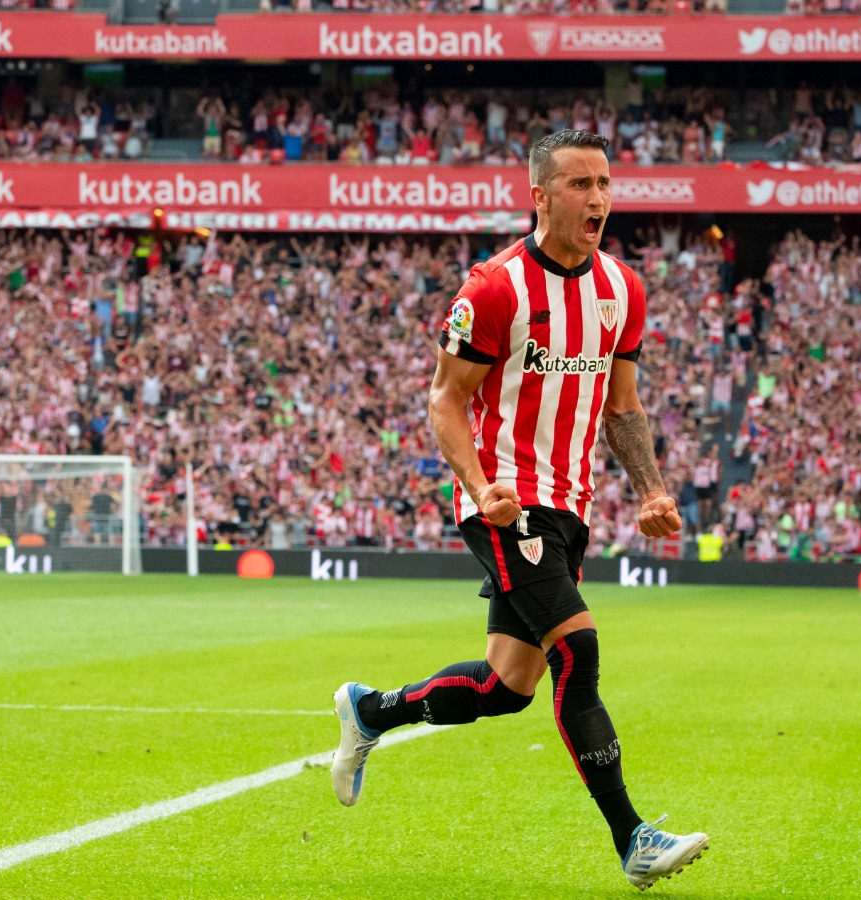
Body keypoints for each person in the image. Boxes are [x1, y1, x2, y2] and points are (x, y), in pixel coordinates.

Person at [329, 130, 709, 891]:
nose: (598, 197)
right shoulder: (495, 289)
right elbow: (445, 398)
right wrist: (479, 489)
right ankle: (632, 836)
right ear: (539, 196)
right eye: (578, 184)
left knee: (508, 687)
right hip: (507, 501)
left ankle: (371, 710)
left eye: (604, 182)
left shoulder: (622, 289)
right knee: (580, 651)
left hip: (571, 507)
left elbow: (623, 405)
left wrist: (651, 489)